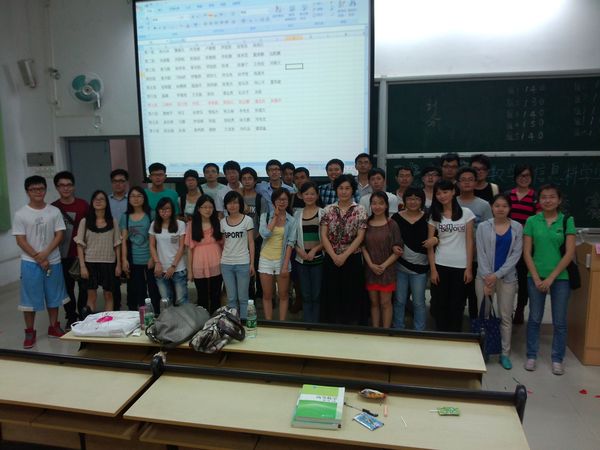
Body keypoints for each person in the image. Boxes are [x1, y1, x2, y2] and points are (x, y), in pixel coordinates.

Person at [523, 184, 576, 376]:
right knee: (534, 318)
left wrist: (551, 278)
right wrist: (537, 277)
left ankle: (557, 359)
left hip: (560, 278)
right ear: (539, 200)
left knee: (559, 321)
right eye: (544, 197)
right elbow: (527, 252)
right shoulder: (532, 221)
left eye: (552, 197)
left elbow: (569, 253)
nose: (548, 200)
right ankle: (531, 355)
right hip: (535, 277)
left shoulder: (567, 220)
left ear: (559, 200)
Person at [13, 176, 68, 348]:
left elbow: (59, 235)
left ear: (45, 190)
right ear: (27, 191)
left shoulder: (54, 211)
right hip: (30, 262)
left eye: (41, 188)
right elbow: (20, 240)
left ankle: (54, 327)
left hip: (53, 260)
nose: (38, 192)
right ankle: (30, 332)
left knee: (54, 296)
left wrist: (45, 254)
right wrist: (38, 257)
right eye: (33, 189)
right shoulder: (21, 214)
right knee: (29, 299)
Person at [475, 194, 523, 370]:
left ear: (509, 208)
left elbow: (516, 255)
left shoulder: (517, 227)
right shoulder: (483, 227)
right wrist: (488, 277)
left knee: (505, 316)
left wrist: (497, 275)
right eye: (497, 205)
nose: (501, 209)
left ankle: (504, 353)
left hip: (507, 278)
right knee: (485, 315)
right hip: (484, 278)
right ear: (491, 207)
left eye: (504, 206)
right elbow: (480, 252)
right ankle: (485, 349)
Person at [428, 180, 475, 332]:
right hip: (440, 264)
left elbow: (469, 242)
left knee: (457, 305)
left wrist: (469, 268)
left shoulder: (466, 213)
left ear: (453, 191)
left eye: (445, 192)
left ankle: (455, 337)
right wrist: (433, 270)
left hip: (461, 266)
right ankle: (441, 337)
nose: (442, 196)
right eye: (438, 193)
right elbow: (429, 245)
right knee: (440, 304)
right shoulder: (434, 215)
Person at [320, 174, 367, 325]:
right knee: (332, 293)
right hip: (331, 257)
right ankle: (333, 326)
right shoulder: (328, 210)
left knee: (351, 293)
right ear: (336, 190)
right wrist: (334, 256)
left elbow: (360, 236)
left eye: (347, 188)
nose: (344, 191)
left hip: (352, 258)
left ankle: (351, 326)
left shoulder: (360, 209)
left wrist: (344, 255)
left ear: (353, 190)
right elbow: (323, 235)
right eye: (341, 188)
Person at [391, 188, 434, 331]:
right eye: (409, 198)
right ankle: (398, 328)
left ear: (422, 201)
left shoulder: (428, 217)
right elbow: (390, 239)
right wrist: (393, 247)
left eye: (417, 199)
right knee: (399, 300)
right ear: (404, 201)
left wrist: (435, 239)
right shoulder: (396, 218)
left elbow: (437, 237)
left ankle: (419, 332)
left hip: (420, 268)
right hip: (400, 266)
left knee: (419, 302)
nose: (413, 202)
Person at [51, 171, 88, 328]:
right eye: (62, 185)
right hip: (62, 255)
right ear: (57, 187)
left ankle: (84, 314)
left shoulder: (83, 205)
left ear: (73, 186)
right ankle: (71, 316)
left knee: (85, 287)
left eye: (69, 185)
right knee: (67, 288)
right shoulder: (53, 208)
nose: (65, 188)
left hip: (82, 254)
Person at [75, 190, 122, 313]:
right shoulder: (85, 221)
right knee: (91, 296)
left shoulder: (113, 221)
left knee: (108, 295)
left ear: (107, 203)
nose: (98, 201)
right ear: (92, 202)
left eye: (102, 199)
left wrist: (118, 265)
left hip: (109, 263)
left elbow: (117, 244)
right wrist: (82, 266)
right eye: (95, 199)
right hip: (90, 263)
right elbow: (79, 245)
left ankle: (108, 321)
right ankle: (89, 322)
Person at [362, 192, 403, 328]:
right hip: (370, 270)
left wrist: (383, 266)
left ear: (386, 205)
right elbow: (362, 247)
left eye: (381, 203)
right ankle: (375, 331)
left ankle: (386, 332)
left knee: (385, 303)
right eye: (374, 203)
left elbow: (398, 250)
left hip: (387, 270)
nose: (377, 206)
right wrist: (371, 265)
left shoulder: (392, 224)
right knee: (374, 303)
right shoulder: (366, 224)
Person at [457, 167, 493, 319]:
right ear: (457, 183)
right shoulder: (451, 202)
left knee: (474, 297)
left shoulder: (484, 205)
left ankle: (475, 328)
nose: (467, 183)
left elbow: (489, 232)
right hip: (457, 258)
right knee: (457, 297)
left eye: (470, 179)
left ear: (476, 182)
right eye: (463, 180)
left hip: (477, 258)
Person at [507, 164, 539, 324]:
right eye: (521, 175)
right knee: (506, 276)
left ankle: (519, 309)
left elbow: (538, 221)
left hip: (527, 244)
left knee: (523, 279)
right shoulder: (508, 195)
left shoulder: (536, 197)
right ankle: (505, 309)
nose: (524, 178)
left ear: (531, 178)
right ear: (515, 177)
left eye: (527, 175)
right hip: (507, 243)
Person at [120, 187, 160, 312]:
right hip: (134, 259)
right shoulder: (125, 217)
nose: (136, 199)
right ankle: (141, 315)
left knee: (153, 288)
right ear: (128, 199)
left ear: (144, 198)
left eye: (139, 196)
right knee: (138, 289)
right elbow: (124, 240)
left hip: (149, 257)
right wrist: (124, 259)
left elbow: (156, 238)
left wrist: (153, 258)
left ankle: (156, 313)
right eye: (133, 196)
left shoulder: (151, 214)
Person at [259, 189, 296, 320]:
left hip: (282, 260)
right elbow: (265, 234)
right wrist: (275, 217)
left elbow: (290, 243)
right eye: (279, 199)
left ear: (288, 201)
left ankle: (282, 323)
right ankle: (269, 322)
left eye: (284, 199)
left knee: (283, 294)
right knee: (267, 295)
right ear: (274, 201)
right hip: (265, 260)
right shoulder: (265, 216)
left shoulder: (292, 220)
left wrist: (285, 265)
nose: (282, 202)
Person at [220, 191, 255, 321]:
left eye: (235, 202)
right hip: (226, 264)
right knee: (231, 298)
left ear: (240, 204)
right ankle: (232, 324)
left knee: (243, 298)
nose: (232, 205)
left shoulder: (248, 220)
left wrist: (252, 263)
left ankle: (245, 323)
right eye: (229, 203)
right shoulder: (223, 222)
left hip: (243, 262)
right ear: (225, 205)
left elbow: (251, 243)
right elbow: (224, 243)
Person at [293, 182, 324, 323]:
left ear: (317, 195)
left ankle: (316, 324)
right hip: (302, 260)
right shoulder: (297, 214)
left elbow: (327, 238)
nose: (309, 196)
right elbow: (292, 238)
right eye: (306, 194)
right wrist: (299, 250)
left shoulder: (323, 213)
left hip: (318, 259)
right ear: (301, 196)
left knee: (316, 295)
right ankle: (307, 325)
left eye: (312, 193)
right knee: (305, 294)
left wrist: (314, 250)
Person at [186, 195, 223, 314]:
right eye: (204, 207)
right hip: (199, 263)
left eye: (210, 207)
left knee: (216, 295)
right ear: (198, 209)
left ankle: (216, 320)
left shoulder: (218, 222)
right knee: (202, 296)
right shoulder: (191, 225)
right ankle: (203, 320)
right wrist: (190, 271)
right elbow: (189, 249)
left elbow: (223, 245)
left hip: (216, 262)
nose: (208, 210)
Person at [149, 198, 188, 306]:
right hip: (160, 269)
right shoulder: (154, 224)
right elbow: (152, 245)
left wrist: (173, 266)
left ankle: (184, 318)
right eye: (161, 209)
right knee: (165, 300)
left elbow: (182, 247)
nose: (164, 212)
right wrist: (157, 263)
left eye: (167, 209)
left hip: (178, 268)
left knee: (181, 300)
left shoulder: (180, 224)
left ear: (172, 210)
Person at [240, 167, 268, 299]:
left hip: (257, 240)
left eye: (250, 178)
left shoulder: (260, 199)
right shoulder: (237, 198)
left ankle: (261, 295)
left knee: (258, 268)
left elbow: (263, 220)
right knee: (246, 271)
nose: (247, 181)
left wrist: (257, 237)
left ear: (255, 181)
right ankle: (249, 298)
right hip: (241, 241)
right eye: (244, 179)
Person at [108, 168, 129, 312]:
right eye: (115, 181)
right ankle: (116, 307)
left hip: (129, 242)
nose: (118, 184)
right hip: (111, 243)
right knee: (113, 277)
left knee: (130, 275)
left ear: (126, 182)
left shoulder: (132, 199)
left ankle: (133, 305)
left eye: (121, 181)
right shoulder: (106, 200)